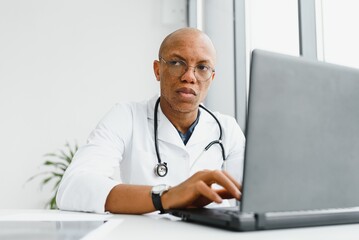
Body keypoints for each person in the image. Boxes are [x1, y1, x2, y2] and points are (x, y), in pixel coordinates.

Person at [56, 27, 246, 214]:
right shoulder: (127, 116)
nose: (189, 76)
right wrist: (166, 196)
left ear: (211, 78)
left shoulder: (228, 129)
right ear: (158, 70)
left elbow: (255, 193)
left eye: (202, 67)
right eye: (177, 63)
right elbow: (73, 187)